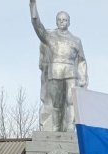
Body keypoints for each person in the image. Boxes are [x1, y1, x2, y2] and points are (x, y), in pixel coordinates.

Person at [30, 0, 88, 132]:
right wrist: (33, 7)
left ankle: (70, 128)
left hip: (71, 73)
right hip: (55, 72)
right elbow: (38, 26)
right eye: (60, 20)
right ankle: (55, 129)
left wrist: (83, 77)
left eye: (65, 20)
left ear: (69, 22)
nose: (62, 22)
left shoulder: (76, 40)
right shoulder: (50, 36)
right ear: (56, 21)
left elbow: (81, 60)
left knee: (71, 102)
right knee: (56, 104)